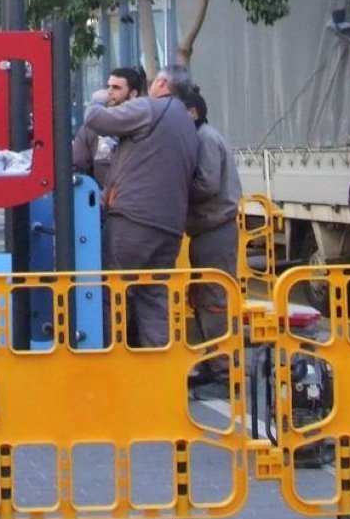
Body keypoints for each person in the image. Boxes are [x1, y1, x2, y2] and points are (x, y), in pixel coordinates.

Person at [84, 64, 199, 348]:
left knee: (112, 291)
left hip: (133, 220)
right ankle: (158, 364)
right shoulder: (186, 123)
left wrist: (99, 99)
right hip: (170, 226)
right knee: (154, 297)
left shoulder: (149, 108)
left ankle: (110, 360)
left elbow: (95, 119)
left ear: (162, 84)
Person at [181, 88, 243, 396]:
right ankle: (212, 362)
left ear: (192, 113)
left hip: (214, 228)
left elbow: (206, 184)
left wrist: (176, 190)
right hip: (207, 229)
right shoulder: (202, 137)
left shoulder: (205, 139)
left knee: (215, 301)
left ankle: (224, 374)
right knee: (204, 297)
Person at [71, 67, 144, 192]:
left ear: (133, 93)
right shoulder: (92, 128)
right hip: (103, 198)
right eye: (108, 87)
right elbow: (78, 166)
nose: (109, 92)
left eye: (116, 88)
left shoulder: (144, 124)